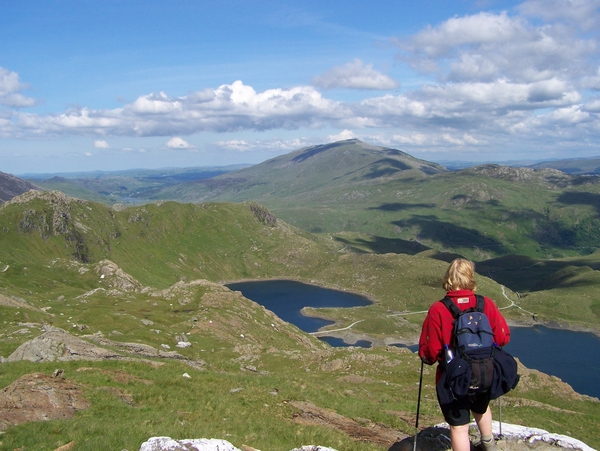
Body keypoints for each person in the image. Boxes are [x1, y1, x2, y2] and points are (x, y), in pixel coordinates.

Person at [418, 258, 510, 451]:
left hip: (453, 377)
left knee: (459, 426)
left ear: (449, 278)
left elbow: (431, 350)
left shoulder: (439, 309)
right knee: (481, 408)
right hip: (484, 371)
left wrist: (426, 357)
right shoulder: (486, 304)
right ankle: (488, 444)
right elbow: (502, 338)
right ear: (471, 277)